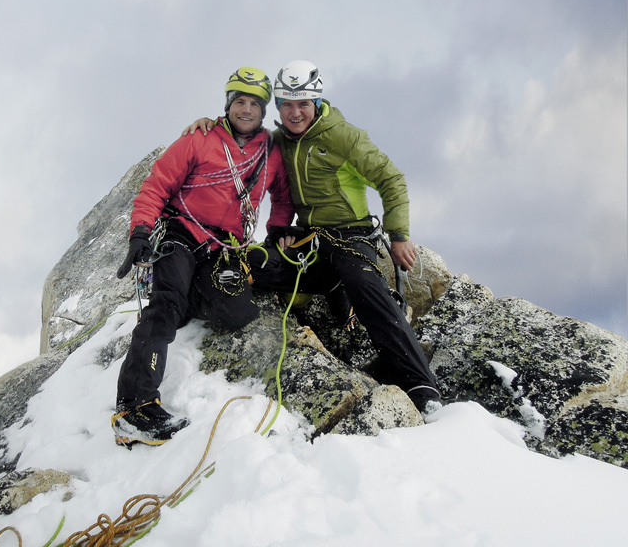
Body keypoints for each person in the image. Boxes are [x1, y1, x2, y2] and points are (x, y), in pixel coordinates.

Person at [184, 60, 443, 416]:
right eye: (287, 104)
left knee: (367, 289)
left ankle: (422, 386)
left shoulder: (343, 136)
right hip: (310, 242)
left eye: (303, 103)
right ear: (277, 105)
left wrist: (399, 236)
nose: (294, 112)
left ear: (317, 101)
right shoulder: (278, 141)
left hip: (351, 237)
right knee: (254, 264)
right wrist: (211, 125)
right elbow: (241, 133)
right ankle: (198, 296)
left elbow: (391, 179)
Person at [112, 66, 295, 447]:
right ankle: (133, 409)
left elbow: (283, 197)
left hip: (223, 246)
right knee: (164, 308)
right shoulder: (199, 139)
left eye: (254, 104)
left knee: (238, 312)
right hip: (181, 233)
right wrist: (141, 232)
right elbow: (156, 185)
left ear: (264, 111)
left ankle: (182, 299)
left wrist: (276, 234)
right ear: (228, 105)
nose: (246, 110)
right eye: (238, 102)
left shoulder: (272, 151)